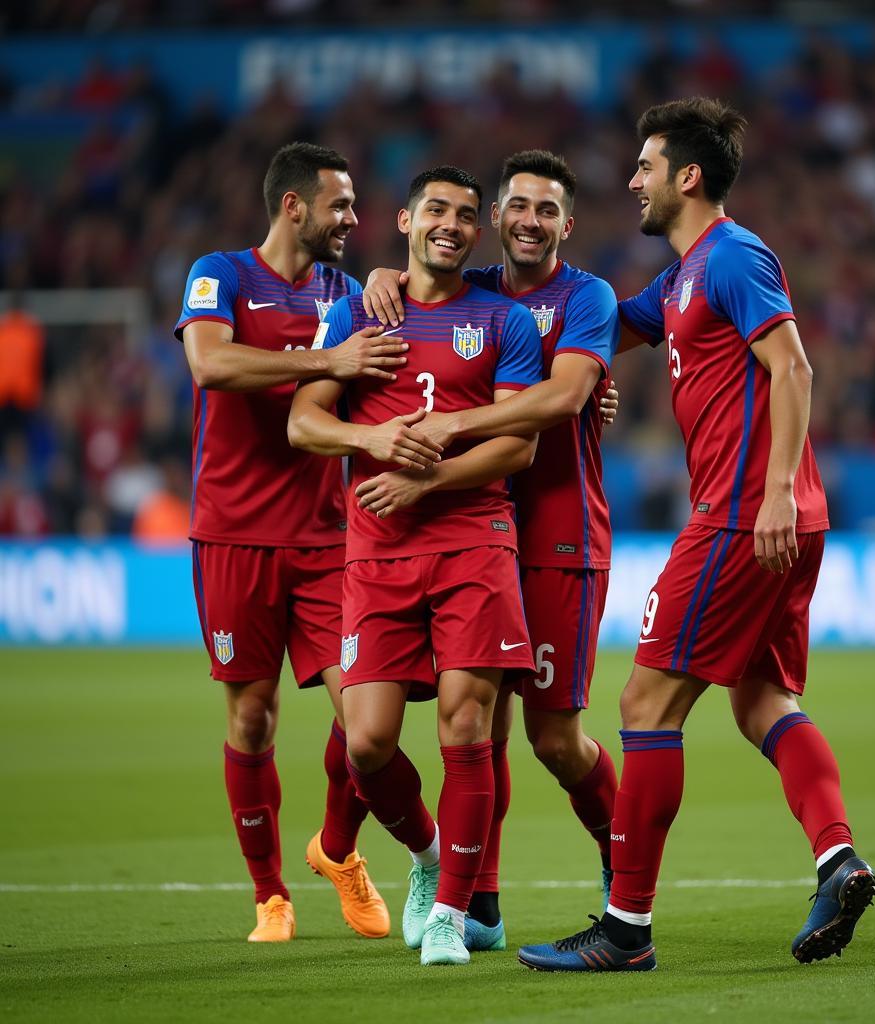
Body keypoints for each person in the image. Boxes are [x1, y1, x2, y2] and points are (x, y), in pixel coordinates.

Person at [518, 98, 875, 973]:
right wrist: (465, 298)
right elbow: (610, 324)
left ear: (687, 176)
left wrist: (778, 493)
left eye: (645, 166)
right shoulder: (681, 279)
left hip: (744, 515)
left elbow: (792, 366)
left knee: (645, 706)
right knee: (762, 704)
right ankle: (839, 859)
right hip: (772, 517)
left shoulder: (733, 254)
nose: (632, 180)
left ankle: (626, 929)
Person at [358, 150, 620, 953]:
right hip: (477, 534)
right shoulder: (466, 296)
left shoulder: (586, 295)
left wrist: (445, 432)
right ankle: (479, 905)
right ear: (494, 219)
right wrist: (380, 272)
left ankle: (626, 867)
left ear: (567, 225)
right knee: (480, 735)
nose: (530, 221)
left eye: (548, 210)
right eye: (518, 207)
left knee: (551, 739)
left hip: (558, 536)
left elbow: (568, 394)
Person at [175, 141, 430, 943]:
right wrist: (327, 358)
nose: (353, 218)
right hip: (235, 535)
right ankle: (270, 896)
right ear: (293, 206)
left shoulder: (349, 292)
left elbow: (409, 360)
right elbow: (209, 365)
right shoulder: (219, 274)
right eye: (340, 205)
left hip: (329, 539)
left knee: (365, 722)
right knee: (252, 718)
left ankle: (339, 851)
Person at [287, 166, 543, 966]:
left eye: (468, 216)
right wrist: (369, 442)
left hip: (475, 539)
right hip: (377, 553)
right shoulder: (351, 315)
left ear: (480, 231)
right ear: (402, 219)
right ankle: (429, 859)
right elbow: (302, 421)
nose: (453, 225)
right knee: (365, 743)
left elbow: (519, 443)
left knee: (466, 728)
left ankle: (452, 917)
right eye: (437, 209)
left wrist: (425, 472)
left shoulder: (503, 321)